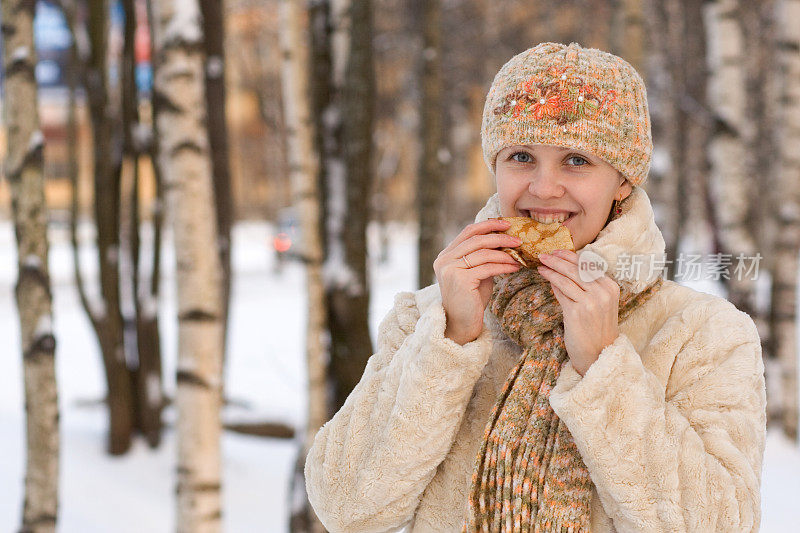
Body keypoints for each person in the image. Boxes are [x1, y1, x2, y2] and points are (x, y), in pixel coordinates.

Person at [304, 42, 766, 532]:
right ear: (496, 168)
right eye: (522, 156)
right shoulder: (428, 319)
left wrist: (603, 366)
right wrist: (450, 343)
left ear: (623, 182)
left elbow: (721, 524)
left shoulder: (704, 333)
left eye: (577, 161)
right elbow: (347, 508)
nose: (544, 188)